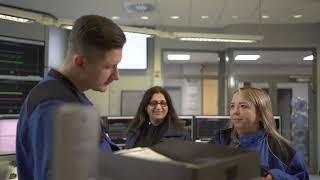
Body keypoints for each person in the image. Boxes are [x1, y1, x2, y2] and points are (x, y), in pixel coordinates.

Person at [16, 15, 126, 180]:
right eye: (109, 67)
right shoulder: (54, 108)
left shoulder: (72, 98)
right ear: (80, 62)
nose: (116, 76)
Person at [211, 87, 309, 180]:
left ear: (260, 114)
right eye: (232, 106)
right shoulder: (219, 141)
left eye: (243, 106)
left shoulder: (281, 150)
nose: (235, 111)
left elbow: (301, 177)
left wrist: (276, 177)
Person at [125, 86, 189, 149]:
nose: (158, 107)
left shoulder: (181, 133)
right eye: (153, 103)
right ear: (145, 107)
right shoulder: (134, 131)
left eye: (163, 103)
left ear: (168, 107)